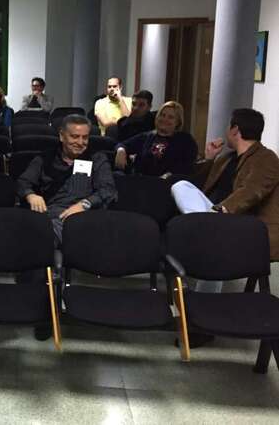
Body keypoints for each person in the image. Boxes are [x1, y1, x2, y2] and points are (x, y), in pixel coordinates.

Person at [171, 108, 279, 348]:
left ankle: (203, 325)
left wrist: (222, 211)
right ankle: (205, 228)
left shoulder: (266, 158)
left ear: (235, 129)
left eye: (229, 126)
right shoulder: (228, 158)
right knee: (180, 186)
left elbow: (253, 191)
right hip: (212, 216)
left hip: (242, 225)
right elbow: (198, 183)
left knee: (213, 246)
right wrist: (209, 158)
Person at [17, 114, 117, 243]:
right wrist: (30, 195)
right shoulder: (46, 158)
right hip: (51, 215)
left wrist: (85, 204)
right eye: (74, 136)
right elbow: (23, 182)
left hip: (84, 216)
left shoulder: (97, 159)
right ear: (61, 136)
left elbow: (108, 190)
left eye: (85, 137)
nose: (80, 142)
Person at [114, 101, 197, 178]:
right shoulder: (148, 136)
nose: (165, 119)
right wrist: (121, 150)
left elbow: (187, 166)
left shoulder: (185, 140)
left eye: (170, 117)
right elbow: (123, 144)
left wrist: (169, 175)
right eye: (162, 115)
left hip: (169, 183)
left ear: (178, 122)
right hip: (141, 181)